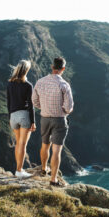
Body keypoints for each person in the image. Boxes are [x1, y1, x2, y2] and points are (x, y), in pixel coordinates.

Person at [32, 57, 74, 187]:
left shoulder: (40, 82)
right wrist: (65, 112)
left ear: (52, 66)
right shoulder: (64, 85)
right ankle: (53, 180)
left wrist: (44, 108)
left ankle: (44, 168)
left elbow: (34, 101)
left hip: (44, 118)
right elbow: (69, 107)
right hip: (59, 120)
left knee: (45, 145)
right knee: (57, 150)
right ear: (63, 69)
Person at [7, 60, 36, 178]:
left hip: (13, 116)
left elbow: (8, 103)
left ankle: (18, 170)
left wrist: (10, 118)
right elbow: (31, 105)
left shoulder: (9, 84)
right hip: (24, 116)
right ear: (26, 70)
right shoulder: (28, 85)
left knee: (18, 143)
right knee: (23, 144)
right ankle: (19, 171)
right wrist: (33, 121)